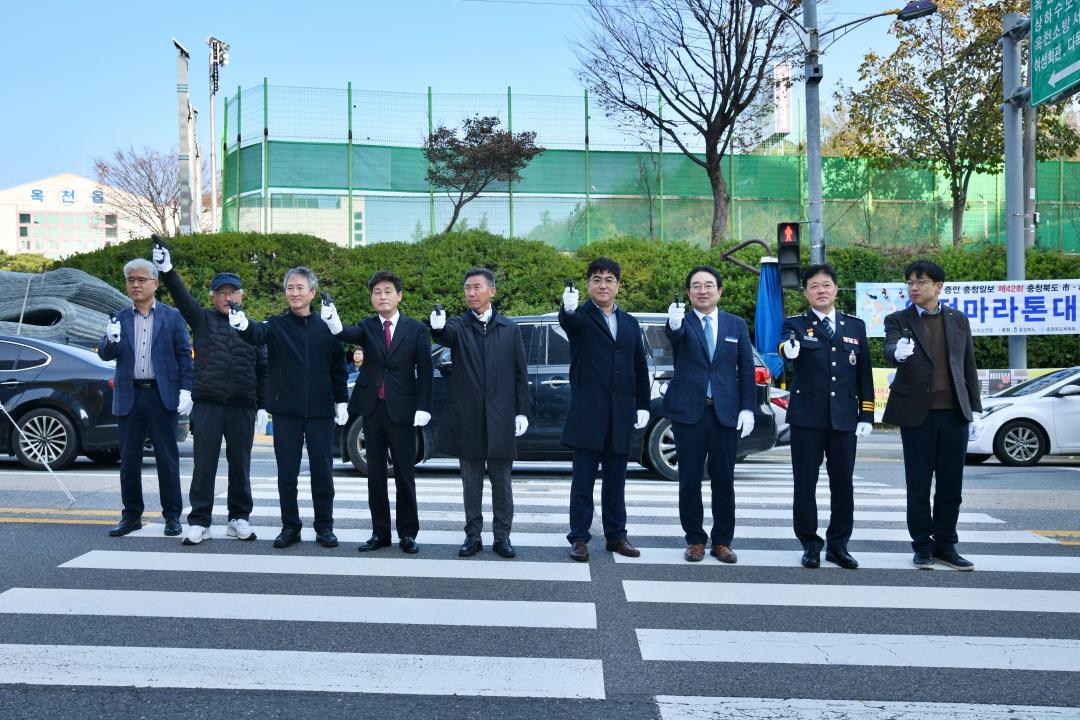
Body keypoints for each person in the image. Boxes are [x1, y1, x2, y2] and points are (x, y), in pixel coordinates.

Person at [152, 244, 268, 545]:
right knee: (204, 464)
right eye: (221, 293)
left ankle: (238, 518)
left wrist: (264, 406)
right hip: (208, 404)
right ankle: (200, 520)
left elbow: (263, 368)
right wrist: (167, 271)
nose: (228, 298)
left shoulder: (252, 329)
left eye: (233, 293)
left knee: (240, 464)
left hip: (243, 405)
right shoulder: (202, 319)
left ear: (241, 296)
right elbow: (181, 297)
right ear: (213, 297)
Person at [227, 267, 348, 549]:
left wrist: (341, 401)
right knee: (287, 475)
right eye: (289, 288)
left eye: (300, 288)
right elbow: (257, 333)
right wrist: (244, 325)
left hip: (320, 411)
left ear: (313, 293)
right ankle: (290, 527)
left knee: (322, 473)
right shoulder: (277, 325)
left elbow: (338, 368)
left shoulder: (327, 327)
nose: (294, 293)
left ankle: (324, 527)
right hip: (286, 411)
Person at [321, 270, 433, 555]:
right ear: (371, 298)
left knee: (405, 474)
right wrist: (333, 321)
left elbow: (427, 371)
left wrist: (424, 407)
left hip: (403, 410)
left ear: (399, 296)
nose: (382, 296)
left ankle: (408, 534)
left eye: (387, 291)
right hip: (371, 409)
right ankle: (379, 533)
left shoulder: (416, 329)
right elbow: (347, 334)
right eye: (376, 292)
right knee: (375, 476)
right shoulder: (367, 326)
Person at [884, 259, 981, 571]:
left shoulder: (958, 320)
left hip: (954, 413)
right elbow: (890, 349)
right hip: (917, 415)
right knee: (918, 484)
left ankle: (946, 545)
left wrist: (974, 409)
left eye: (920, 282)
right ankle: (922, 546)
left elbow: (968, 365)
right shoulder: (898, 319)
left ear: (938, 286)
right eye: (910, 282)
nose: (914, 287)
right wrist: (897, 352)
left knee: (952, 484)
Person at [429, 268, 530, 559]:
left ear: (492, 292)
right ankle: (473, 536)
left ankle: (503, 537)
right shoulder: (460, 327)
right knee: (470, 482)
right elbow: (443, 334)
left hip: (500, 417)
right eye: (467, 289)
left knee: (502, 482)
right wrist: (436, 326)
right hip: (469, 417)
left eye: (476, 287)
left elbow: (520, 374)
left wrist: (521, 411)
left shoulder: (509, 328)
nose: (470, 293)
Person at [780, 264, 874, 570]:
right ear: (806, 292)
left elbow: (864, 373)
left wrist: (867, 414)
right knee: (805, 484)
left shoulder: (854, 326)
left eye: (826, 285)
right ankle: (810, 544)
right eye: (814, 286)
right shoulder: (796, 324)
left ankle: (838, 545)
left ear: (836, 289)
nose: (821, 290)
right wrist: (788, 350)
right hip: (807, 418)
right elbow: (784, 346)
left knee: (843, 484)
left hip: (845, 418)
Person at [663, 265, 755, 564]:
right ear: (689, 292)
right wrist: (674, 324)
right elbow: (674, 339)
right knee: (689, 479)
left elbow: (746, 370)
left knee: (723, 480)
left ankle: (723, 541)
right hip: (689, 413)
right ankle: (695, 540)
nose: (703, 290)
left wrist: (747, 408)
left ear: (720, 290)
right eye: (696, 286)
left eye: (708, 285)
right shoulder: (681, 322)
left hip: (725, 414)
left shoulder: (735, 324)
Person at [560, 257, 650, 562]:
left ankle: (616, 536)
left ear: (618, 286)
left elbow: (639, 366)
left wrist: (643, 405)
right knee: (582, 482)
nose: (603, 284)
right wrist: (568, 308)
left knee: (616, 481)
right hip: (588, 415)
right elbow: (568, 324)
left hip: (621, 414)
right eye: (596, 279)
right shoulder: (581, 317)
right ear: (588, 285)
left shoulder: (629, 323)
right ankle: (580, 538)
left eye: (609, 279)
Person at [98, 258, 193, 538]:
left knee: (167, 458)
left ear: (155, 283)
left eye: (141, 280)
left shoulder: (171, 316)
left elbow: (184, 357)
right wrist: (110, 339)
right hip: (129, 395)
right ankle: (131, 516)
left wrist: (187, 389)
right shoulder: (118, 317)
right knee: (129, 460)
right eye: (131, 280)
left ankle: (172, 516)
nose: (136, 285)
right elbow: (105, 354)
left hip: (161, 394)